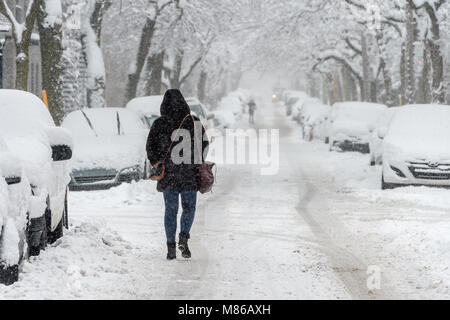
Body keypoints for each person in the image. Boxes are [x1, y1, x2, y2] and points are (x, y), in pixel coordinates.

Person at [146, 89, 209, 260]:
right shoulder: (193, 121)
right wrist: (197, 160)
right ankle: (184, 236)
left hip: (169, 176)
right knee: (189, 208)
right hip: (189, 175)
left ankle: (170, 247)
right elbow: (205, 144)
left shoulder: (159, 124)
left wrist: (156, 162)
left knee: (170, 211)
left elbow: (150, 147)